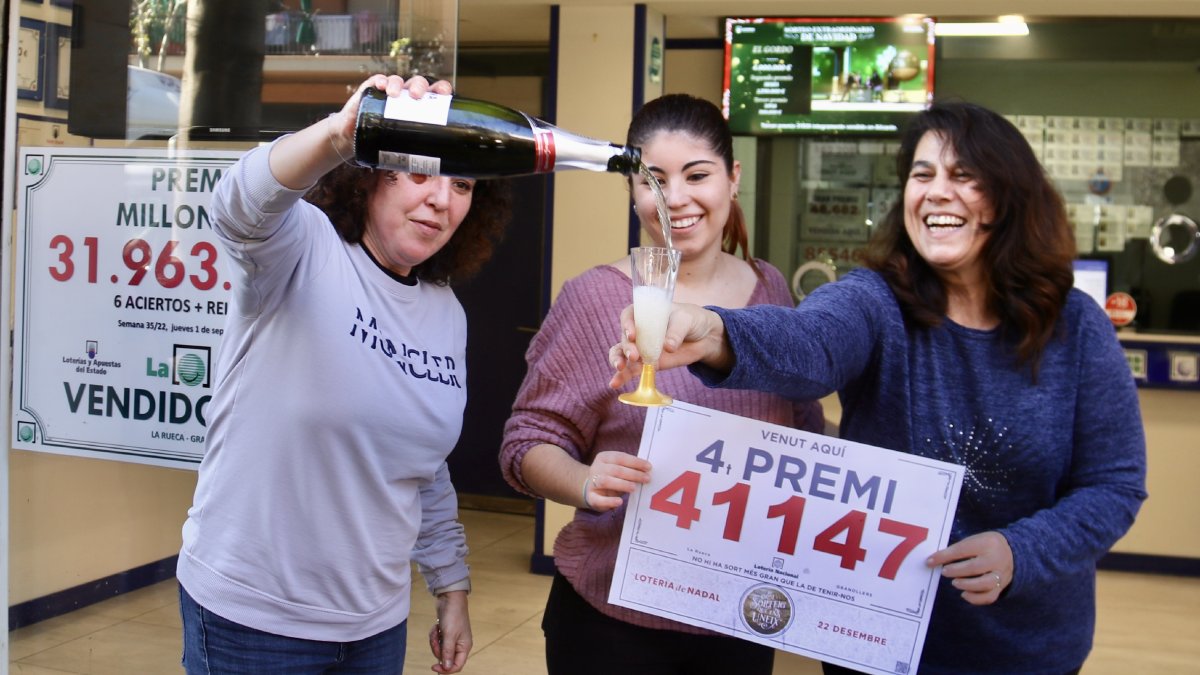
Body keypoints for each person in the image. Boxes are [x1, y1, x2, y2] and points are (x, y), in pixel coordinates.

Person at [611, 100, 1148, 675]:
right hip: (874, 643)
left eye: (963, 176)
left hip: (1027, 649)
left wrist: (1022, 552)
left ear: (1010, 197)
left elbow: (1114, 484)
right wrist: (715, 329)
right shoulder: (875, 302)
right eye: (923, 175)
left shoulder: (1077, 327)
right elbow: (810, 343)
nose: (937, 191)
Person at [176, 74, 511, 674]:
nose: (441, 198)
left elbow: (422, 467)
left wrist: (450, 586)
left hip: (374, 625)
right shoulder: (303, 250)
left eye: (461, 183)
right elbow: (236, 205)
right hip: (255, 620)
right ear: (369, 174)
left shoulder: (444, 314)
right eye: (418, 171)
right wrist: (340, 132)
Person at [499, 93, 825, 675]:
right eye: (652, 179)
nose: (675, 199)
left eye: (697, 175)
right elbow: (525, 443)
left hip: (737, 614)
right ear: (631, 188)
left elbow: (801, 429)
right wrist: (583, 479)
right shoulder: (594, 297)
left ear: (733, 178)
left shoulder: (771, 288)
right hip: (612, 619)